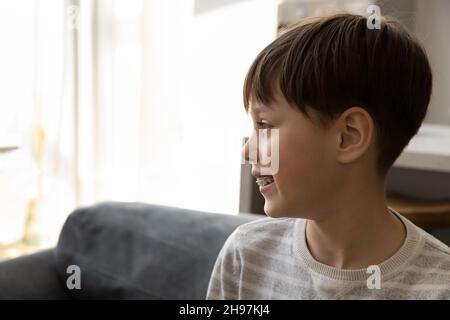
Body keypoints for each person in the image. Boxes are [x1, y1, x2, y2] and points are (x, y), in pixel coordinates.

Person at [206, 13, 450, 300]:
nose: (248, 151)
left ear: (348, 136)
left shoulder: (440, 288)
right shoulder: (246, 256)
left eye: (265, 125)